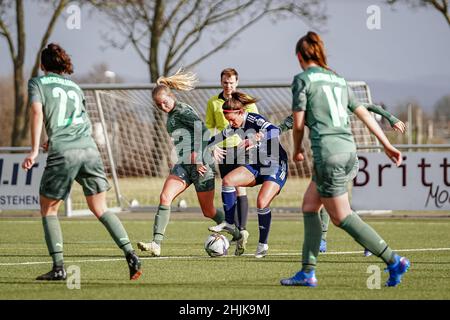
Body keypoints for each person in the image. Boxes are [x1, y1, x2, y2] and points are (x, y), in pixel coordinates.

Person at [280, 32, 410, 287]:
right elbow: (364, 113)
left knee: (341, 216)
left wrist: (297, 149)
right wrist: (386, 144)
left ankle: (394, 260)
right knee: (309, 205)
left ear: (298, 57)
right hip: (348, 150)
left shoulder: (302, 80)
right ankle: (307, 271)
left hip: (328, 153)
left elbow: (297, 124)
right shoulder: (338, 80)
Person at [22, 43, 142, 281]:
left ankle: (58, 267)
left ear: (42, 65)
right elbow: (82, 122)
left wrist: (35, 149)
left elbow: (37, 113)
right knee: (100, 208)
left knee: (49, 209)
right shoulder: (76, 87)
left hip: (64, 152)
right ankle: (130, 253)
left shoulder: (37, 83)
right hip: (88, 150)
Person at [137, 70, 244, 257]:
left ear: (172, 96)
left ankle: (237, 234)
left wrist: (200, 158)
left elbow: (203, 132)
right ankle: (156, 243)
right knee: (165, 197)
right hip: (184, 165)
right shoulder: (170, 115)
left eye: (165, 102)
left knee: (208, 210)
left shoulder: (184, 111)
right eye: (158, 104)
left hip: (202, 166)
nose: (162, 106)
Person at [279, 107, 406, 255]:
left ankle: (321, 243)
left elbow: (368, 107)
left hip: (346, 163)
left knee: (324, 198)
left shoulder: (334, 103)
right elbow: (281, 127)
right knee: (338, 209)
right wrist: (262, 133)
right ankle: (371, 245)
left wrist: (391, 118)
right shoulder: (303, 112)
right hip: (327, 163)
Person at [208, 92, 288, 258]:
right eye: (227, 120)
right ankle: (230, 224)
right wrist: (209, 147)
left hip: (275, 165)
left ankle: (262, 244)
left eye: (232, 119)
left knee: (261, 201)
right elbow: (217, 138)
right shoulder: (235, 126)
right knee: (228, 180)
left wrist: (256, 138)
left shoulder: (253, 119)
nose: (230, 123)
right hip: (257, 165)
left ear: (241, 112)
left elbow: (274, 130)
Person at [205, 68, 258, 248]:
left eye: (232, 82)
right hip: (223, 150)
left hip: (241, 148)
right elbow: (209, 127)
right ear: (221, 83)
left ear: (237, 83)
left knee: (239, 188)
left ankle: (242, 229)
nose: (228, 85)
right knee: (228, 188)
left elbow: (255, 123)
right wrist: (213, 146)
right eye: (225, 82)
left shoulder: (245, 101)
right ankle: (235, 230)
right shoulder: (213, 102)